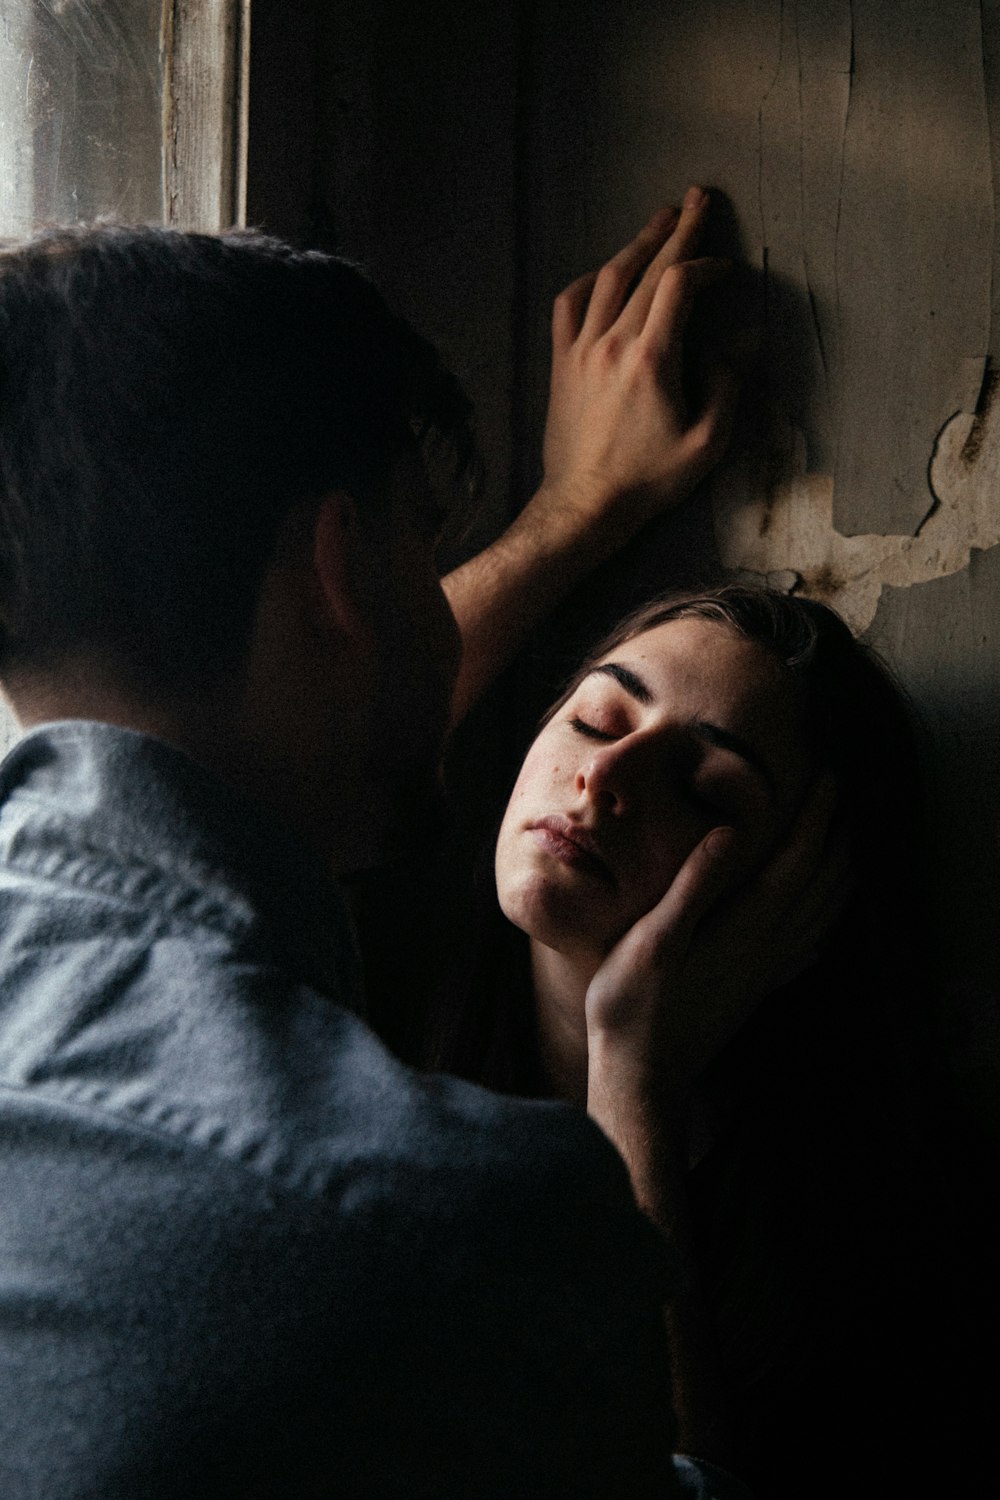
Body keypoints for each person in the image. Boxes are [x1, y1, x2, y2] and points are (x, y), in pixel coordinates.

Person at [0, 200, 766, 1496]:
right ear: (343, 569)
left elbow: (265, 733)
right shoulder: (443, 1232)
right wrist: (632, 1074)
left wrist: (574, 511)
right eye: (425, 528)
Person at [418, 583, 981, 1496]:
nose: (604, 776)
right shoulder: (364, 994)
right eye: (599, 718)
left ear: (798, 898)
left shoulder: (873, 1259)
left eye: (702, 788)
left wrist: (634, 1073)